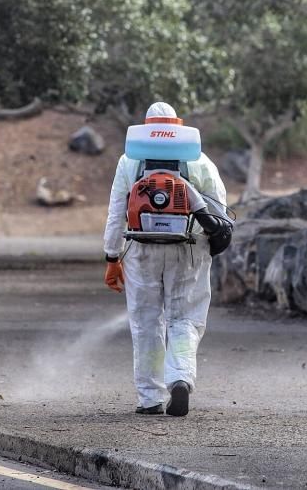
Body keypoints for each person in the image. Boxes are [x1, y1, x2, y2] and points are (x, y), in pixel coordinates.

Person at [102, 102, 227, 417]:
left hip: (141, 248)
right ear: (178, 126)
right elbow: (219, 212)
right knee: (184, 318)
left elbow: (117, 212)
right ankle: (180, 377)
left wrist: (112, 256)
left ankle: (150, 398)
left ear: (145, 126)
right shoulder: (199, 161)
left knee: (146, 323)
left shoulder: (128, 162)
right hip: (188, 248)